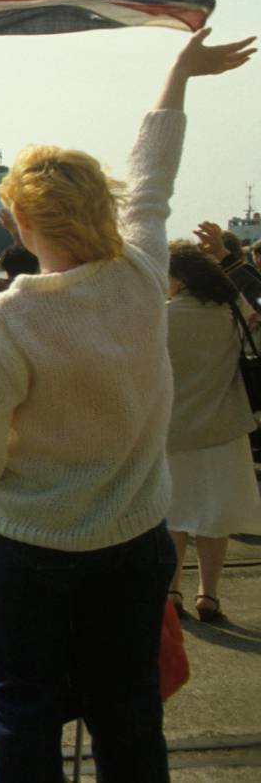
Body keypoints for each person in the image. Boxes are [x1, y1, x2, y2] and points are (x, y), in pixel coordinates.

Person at [0, 28, 254, 782]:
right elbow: (153, 176)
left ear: (22, 224)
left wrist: (26, 474)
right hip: (136, 536)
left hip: (34, 545)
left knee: (24, 710)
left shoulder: (10, 318)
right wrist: (178, 72)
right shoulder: (145, 272)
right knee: (129, 708)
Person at [163, 241, 261, 624]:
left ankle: (172, 590)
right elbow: (255, 316)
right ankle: (210, 595)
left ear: (180, 279)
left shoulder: (162, 317)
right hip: (224, 429)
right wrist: (225, 257)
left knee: (174, 517)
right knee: (214, 518)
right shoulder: (232, 314)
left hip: (173, 431)